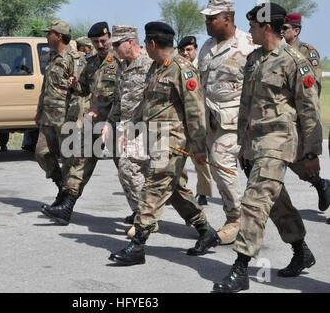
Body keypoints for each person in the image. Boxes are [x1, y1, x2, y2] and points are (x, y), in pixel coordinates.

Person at [213, 3, 323, 293]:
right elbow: (246, 106)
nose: (249, 30)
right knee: (274, 201)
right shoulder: (254, 59)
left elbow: (310, 110)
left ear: (268, 27)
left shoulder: (293, 60)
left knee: (254, 202)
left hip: (278, 142)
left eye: (253, 25)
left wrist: (311, 153)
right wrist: (242, 145)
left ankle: (240, 269)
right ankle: (301, 249)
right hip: (255, 144)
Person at [109, 21, 221, 266]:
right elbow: (147, 104)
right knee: (176, 191)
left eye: (146, 44)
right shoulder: (157, 68)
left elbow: (196, 112)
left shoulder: (182, 69)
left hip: (172, 142)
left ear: (151, 43)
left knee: (154, 187)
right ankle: (206, 231)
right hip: (153, 137)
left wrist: (200, 148)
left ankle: (137, 244)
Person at [40, 22, 121, 225]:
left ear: (109, 37)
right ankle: (66, 207)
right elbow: (83, 89)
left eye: (103, 41)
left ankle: (142, 214)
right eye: (96, 42)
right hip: (96, 122)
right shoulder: (92, 63)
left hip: (118, 123)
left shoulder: (121, 61)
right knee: (81, 162)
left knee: (127, 169)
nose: (101, 45)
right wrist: (74, 83)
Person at [198, 0, 257, 244]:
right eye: (207, 18)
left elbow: (256, 89)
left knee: (222, 164)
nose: (207, 23)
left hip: (234, 120)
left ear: (228, 18)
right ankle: (236, 216)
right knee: (216, 166)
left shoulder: (248, 45)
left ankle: (236, 219)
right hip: (209, 119)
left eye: (212, 18)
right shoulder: (207, 46)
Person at [105, 25, 154, 238]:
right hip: (125, 126)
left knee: (130, 170)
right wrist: (109, 123)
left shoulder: (150, 63)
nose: (114, 48)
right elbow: (118, 99)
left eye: (117, 44)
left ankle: (200, 224)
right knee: (129, 170)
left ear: (131, 41)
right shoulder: (122, 66)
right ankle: (143, 216)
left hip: (146, 127)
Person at [35, 20, 86, 211]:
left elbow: (81, 90)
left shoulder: (75, 57)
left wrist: (74, 119)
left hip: (65, 118)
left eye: (49, 33)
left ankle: (64, 200)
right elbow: (45, 86)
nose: (47, 36)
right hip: (48, 117)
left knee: (68, 159)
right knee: (41, 153)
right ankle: (60, 186)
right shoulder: (51, 56)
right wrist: (39, 110)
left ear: (59, 36)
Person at [281, 13, 330, 212]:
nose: (281, 31)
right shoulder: (276, 50)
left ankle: (320, 183)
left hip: (299, 114)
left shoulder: (307, 52)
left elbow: (313, 86)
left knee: (297, 158)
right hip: (282, 116)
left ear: (296, 30)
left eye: (285, 28)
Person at [178, 35, 213, 206]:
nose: (185, 53)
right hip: (180, 120)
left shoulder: (201, 67)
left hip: (198, 119)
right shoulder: (177, 68)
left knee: (200, 159)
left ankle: (203, 192)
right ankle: (180, 190)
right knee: (179, 158)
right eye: (182, 50)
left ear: (195, 50)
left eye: (189, 50)